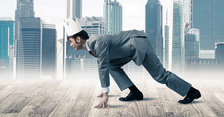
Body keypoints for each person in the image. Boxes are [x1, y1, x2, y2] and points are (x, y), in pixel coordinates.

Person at [66, 18, 201, 108]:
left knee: (160, 75)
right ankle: (135, 92)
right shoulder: (92, 46)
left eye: (71, 41)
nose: (70, 45)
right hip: (127, 50)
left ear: (78, 39)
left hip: (138, 43)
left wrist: (106, 94)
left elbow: (102, 66)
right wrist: (104, 89)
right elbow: (104, 64)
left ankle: (192, 92)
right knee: (113, 66)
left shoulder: (96, 42)